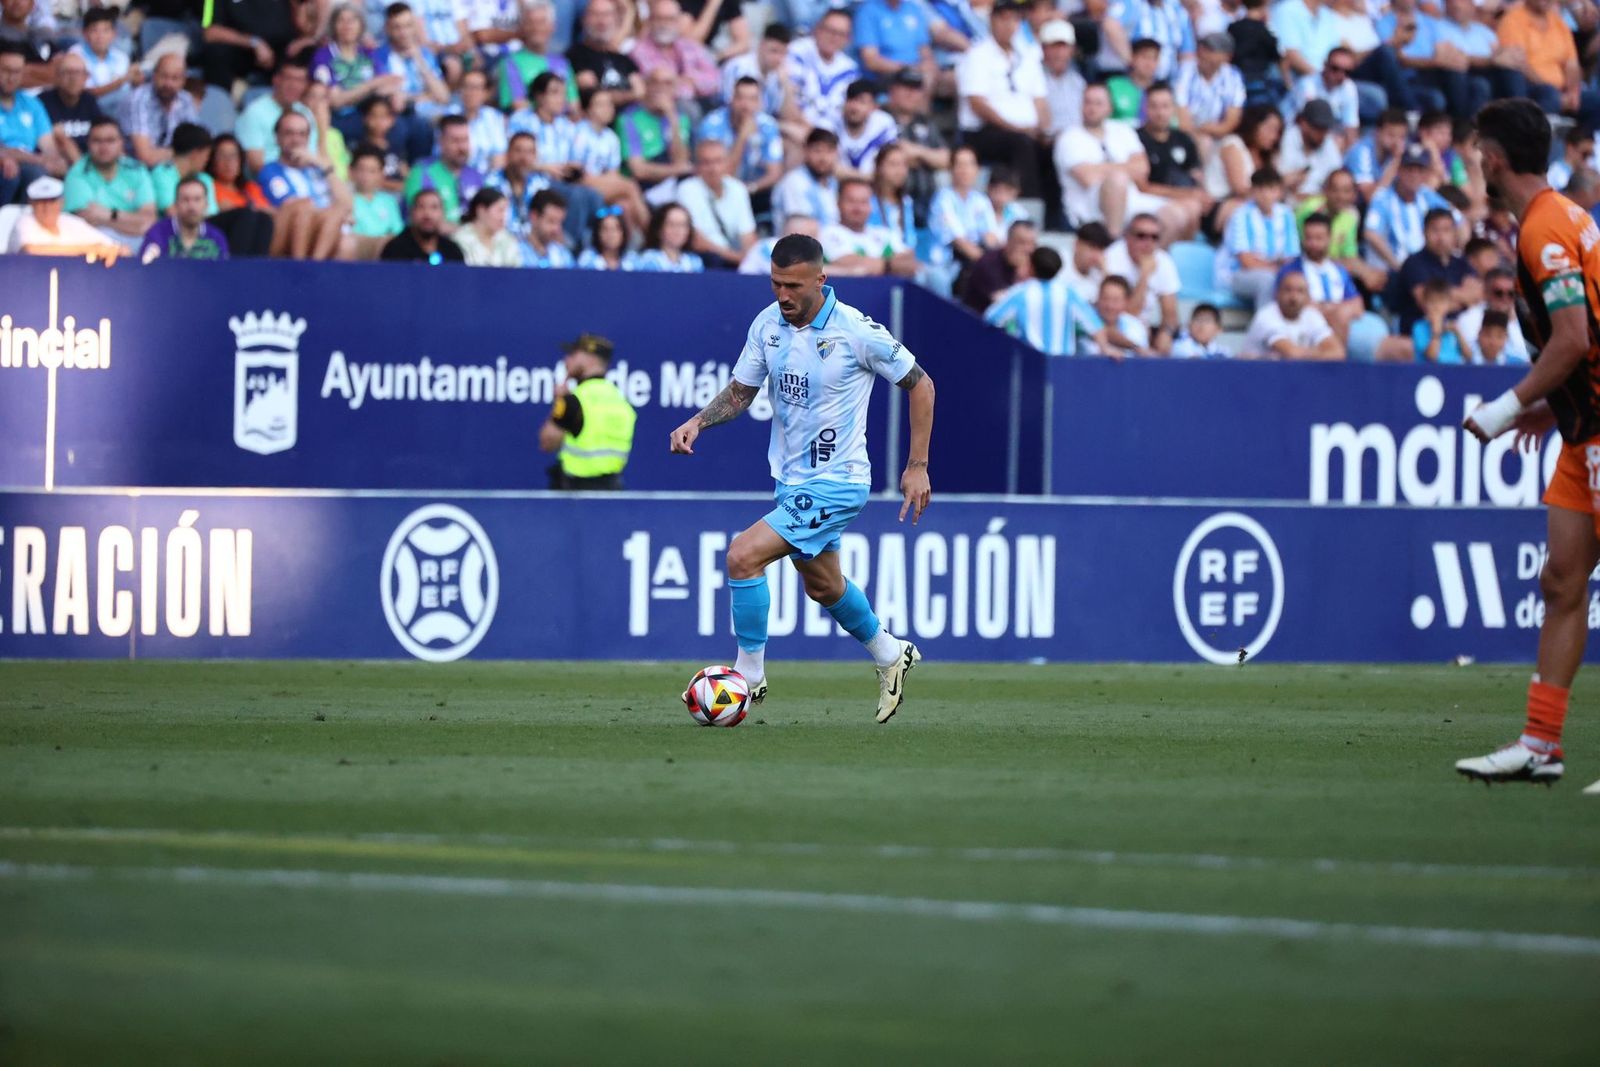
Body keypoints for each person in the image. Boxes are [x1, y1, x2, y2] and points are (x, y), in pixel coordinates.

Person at [667, 233, 936, 723]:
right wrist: (697, 421)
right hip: (791, 480)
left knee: (742, 555)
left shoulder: (856, 331)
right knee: (824, 585)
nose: (783, 295)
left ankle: (748, 677)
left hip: (839, 481)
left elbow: (922, 384)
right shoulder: (767, 324)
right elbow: (741, 392)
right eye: (775, 284)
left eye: (793, 285)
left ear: (820, 279)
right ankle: (889, 652)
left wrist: (917, 466)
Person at [1457, 99, 1600, 783]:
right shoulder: (1564, 216)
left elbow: (1572, 337)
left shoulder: (1544, 229)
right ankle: (1542, 743)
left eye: (1477, 149)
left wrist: (1505, 408)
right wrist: (1549, 408)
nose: (1474, 160)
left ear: (1495, 157)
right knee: (1562, 579)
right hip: (1581, 427)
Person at [1055, 83, 1179, 236]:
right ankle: (1113, 243)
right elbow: (1088, 178)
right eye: (1088, 102)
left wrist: (1099, 168)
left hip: (1133, 199)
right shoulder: (1069, 137)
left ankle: (1153, 256)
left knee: (1177, 214)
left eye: (1098, 103)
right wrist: (1125, 168)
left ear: (1110, 107)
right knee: (1117, 180)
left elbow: (1142, 169)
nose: (1092, 108)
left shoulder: (1122, 130)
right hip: (1087, 207)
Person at [957, 0, 1049, 198]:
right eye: (1003, 19)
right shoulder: (977, 54)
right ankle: (1028, 205)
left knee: (1051, 148)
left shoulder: (1027, 55)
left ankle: (1054, 215)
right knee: (1022, 144)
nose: (1009, 25)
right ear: (992, 20)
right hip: (984, 131)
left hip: (1024, 131)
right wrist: (1017, 128)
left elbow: (1040, 100)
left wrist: (1043, 131)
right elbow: (977, 104)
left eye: (1015, 19)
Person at [540, 332, 639, 489]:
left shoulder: (574, 400)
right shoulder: (621, 401)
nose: (567, 361)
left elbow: (547, 443)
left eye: (573, 354)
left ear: (590, 358)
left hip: (575, 494)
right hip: (612, 491)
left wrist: (559, 403)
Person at [984, 245, 1116, 357]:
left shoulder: (1020, 293)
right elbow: (1094, 325)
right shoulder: (1069, 293)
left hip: (1030, 363)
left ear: (1031, 267)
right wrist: (1105, 348)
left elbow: (991, 318)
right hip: (1062, 364)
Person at [257, 109, 351, 259]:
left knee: (344, 232)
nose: (296, 140)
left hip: (327, 230)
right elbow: (291, 206)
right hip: (291, 230)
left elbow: (347, 207)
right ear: (277, 138)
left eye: (302, 134)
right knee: (305, 207)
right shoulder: (271, 170)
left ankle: (315, 265)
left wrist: (324, 166)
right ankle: (305, 267)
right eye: (289, 133)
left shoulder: (318, 169)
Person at [1493, 0, 1600, 127]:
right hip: (1531, 88)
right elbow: (1519, 64)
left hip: (1560, 92)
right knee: (1549, 95)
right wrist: (1557, 95)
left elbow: (1572, 64)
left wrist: (1572, 93)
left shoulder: (1558, 23)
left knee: (1595, 101)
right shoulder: (1512, 21)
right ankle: (1540, 134)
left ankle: (1581, 142)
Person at [1363, 143, 1457, 275]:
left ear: (1426, 174)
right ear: (1399, 170)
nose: (1414, 175)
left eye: (1419, 170)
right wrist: (1400, 267)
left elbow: (1459, 221)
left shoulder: (1428, 195)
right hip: (1394, 272)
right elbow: (1371, 234)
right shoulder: (1383, 198)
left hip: (1427, 270)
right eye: (1409, 169)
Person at [62, 118, 155, 250]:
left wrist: (108, 214)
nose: (104, 147)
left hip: (136, 242)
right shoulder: (77, 173)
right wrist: (132, 221)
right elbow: (85, 222)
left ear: (121, 143)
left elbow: (148, 222)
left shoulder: (137, 170)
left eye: (110, 140)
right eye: (97, 141)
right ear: (88, 144)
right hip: (95, 244)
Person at [374, 1, 449, 161]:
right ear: (387, 28)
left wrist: (419, 60)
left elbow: (443, 96)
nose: (404, 33)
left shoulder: (425, 55)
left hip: (428, 113)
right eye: (397, 27)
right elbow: (390, 96)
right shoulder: (380, 55)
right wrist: (426, 96)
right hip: (401, 116)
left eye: (408, 26)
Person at [1385, 205, 1476, 337]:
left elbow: (1476, 296)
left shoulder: (1462, 263)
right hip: (1420, 334)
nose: (1441, 237)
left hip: (1459, 331)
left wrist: (1441, 298)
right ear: (1424, 232)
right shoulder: (1414, 263)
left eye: (1446, 230)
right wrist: (1464, 301)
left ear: (1455, 233)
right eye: (1435, 230)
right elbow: (1427, 303)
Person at [1217, 165, 1299, 310]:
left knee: (1299, 281)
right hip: (1237, 275)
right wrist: (1277, 270)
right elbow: (1246, 261)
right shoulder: (1241, 215)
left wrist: (1281, 271)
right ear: (1252, 191)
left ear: (1279, 192)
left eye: (1271, 189)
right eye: (1261, 189)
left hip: (1274, 271)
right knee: (1268, 280)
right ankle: (1266, 330)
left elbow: (1291, 256)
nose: (1266, 195)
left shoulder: (1286, 214)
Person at [1277, 211, 1361, 342]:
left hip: (1342, 325)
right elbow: (1291, 304)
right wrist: (1335, 311)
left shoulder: (1338, 270)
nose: (1313, 244)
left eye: (1319, 238)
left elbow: (1357, 304)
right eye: (1309, 238)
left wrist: (1331, 310)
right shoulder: (1291, 270)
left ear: (1329, 238)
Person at [1136, 82, 1205, 240]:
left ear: (1173, 109)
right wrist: (1186, 194)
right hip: (1149, 202)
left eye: (1165, 106)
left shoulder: (1184, 139)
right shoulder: (1135, 139)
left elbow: (1196, 175)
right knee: (1189, 208)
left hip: (1184, 198)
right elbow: (1143, 187)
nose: (1160, 112)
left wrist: (1200, 194)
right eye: (1154, 106)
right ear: (1145, 108)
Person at [697, 76, 782, 202]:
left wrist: (750, 189)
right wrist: (742, 137)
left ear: (760, 103)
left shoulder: (768, 126)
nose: (746, 105)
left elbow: (774, 173)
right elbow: (720, 173)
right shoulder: (712, 125)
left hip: (754, 191)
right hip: (717, 191)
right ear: (731, 99)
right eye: (740, 98)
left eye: (752, 99)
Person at [616, 67, 694, 204]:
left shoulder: (680, 119)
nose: (661, 88)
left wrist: (672, 118)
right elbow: (638, 170)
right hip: (645, 186)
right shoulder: (629, 119)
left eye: (668, 83)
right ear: (646, 85)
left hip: (674, 183)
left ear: (675, 89)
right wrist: (676, 170)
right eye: (655, 82)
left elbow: (681, 159)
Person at [882, 67, 948, 225]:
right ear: (892, 90)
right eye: (906, 87)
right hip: (890, 201)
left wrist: (917, 152)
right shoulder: (881, 118)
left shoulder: (925, 122)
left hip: (927, 201)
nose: (911, 94)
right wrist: (927, 158)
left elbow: (945, 159)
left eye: (916, 89)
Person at [1105, 212, 1180, 350]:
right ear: (1127, 237)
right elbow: (1123, 314)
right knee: (1133, 330)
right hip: (1114, 329)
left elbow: (1170, 313)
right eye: (1141, 236)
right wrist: (1144, 275)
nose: (1148, 243)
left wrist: (1166, 332)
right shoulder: (1112, 257)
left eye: (1154, 237)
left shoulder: (1163, 260)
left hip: (1144, 330)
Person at [676, 138, 756, 268]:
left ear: (727, 163)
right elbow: (696, 241)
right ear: (697, 166)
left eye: (718, 161)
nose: (713, 168)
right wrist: (737, 258)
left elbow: (748, 235)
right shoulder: (687, 189)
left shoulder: (738, 189)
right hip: (705, 259)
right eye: (706, 163)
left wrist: (750, 261)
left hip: (735, 259)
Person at [821, 176, 918, 277]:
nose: (858, 208)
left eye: (864, 202)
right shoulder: (828, 233)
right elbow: (846, 262)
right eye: (851, 201)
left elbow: (909, 261)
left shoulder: (885, 234)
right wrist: (891, 265)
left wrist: (879, 266)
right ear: (838, 203)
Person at [1, 41, 61, 205]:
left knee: (47, 174)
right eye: (6, 70)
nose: (12, 77)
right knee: (17, 173)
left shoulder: (31, 104)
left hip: (29, 166)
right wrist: (35, 160)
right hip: (7, 168)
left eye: (17, 71)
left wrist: (52, 162)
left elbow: (49, 148)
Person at [5, 173, 121, 258]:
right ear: (32, 204)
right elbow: (31, 250)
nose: (47, 208)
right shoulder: (25, 221)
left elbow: (111, 246)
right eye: (41, 202)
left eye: (52, 201)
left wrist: (113, 250)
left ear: (61, 202)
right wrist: (87, 249)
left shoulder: (70, 222)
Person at [629, 0, 719, 105]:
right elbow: (659, 86)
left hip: (700, 103)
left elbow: (715, 80)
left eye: (670, 19)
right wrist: (688, 82)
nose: (664, 24)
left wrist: (688, 79)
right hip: (660, 108)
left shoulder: (690, 46)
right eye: (659, 19)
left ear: (678, 22)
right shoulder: (639, 51)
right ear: (650, 21)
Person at [1241, 269, 1344, 359]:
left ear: (1308, 297)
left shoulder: (1312, 315)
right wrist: (1320, 352)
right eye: (1288, 290)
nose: (1293, 297)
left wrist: (1306, 353)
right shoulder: (1266, 316)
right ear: (1277, 294)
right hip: (1254, 376)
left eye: (1300, 291)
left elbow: (1338, 353)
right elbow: (1291, 354)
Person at [237, 61, 317, 174]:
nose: (294, 85)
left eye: (300, 80)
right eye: (288, 78)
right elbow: (255, 164)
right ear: (276, 80)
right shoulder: (254, 113)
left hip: (305, 177)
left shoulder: (306, 112)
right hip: (269, 181)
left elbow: (312, 154)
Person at [404, 113, 484, 226]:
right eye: (455, 141)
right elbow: (418, 219)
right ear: (441, 142)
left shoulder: (476, 176)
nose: (462, 147)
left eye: (465, 140)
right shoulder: (421, 172)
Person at [787, 7, 858, 134]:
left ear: (848, 39)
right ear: (817, 29)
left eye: (841, 34)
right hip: (798, 127)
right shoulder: (797, 52)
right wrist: (813, 135)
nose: (834, 38)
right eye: (830, 31)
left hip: (832, 138)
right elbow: (789, 100)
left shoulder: (850, 69)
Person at [930, 144, 1000, 267]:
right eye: (960, 165)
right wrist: (989, 265)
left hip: (978, 260)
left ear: (977, 169)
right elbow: (959, 242)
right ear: (950, 169)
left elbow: (991, 237)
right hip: (949, 264)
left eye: (970, 164)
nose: (965, 170)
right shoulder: (943, 199)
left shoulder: (981, 200)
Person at [566, 0, 644, 105]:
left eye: (607, 15)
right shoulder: (575, 56)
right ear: (584, 19)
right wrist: (631, 94)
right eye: (595, 14)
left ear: (616, 20)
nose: (602, 21)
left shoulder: (624, 59)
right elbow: (595, 97)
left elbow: (642, 92)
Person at [1174, 31, 1243, 144]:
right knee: (1204, 142)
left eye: (1211, 50)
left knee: (1233, 143)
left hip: (1217, 135)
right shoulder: (1185, 71)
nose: (1203, 54)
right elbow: (1182, 119)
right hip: (1186, 134)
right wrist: (1198, 132)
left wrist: (1207, 129)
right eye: (1202, 48)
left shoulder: (1233, 76)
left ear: (1227, 56)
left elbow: (1231, 121)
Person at [139, 175, 229, 261]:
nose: (191, 206)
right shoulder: (157, 233)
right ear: (176, 204)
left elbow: (224, 272)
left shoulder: (216, 238)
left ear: (206, 205)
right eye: (185, 200)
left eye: (197, 199)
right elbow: (145, 268)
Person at [1282, 47, 1359, 147]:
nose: (1341, 75)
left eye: (1347, 72)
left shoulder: (1349, 88)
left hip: (1323, 135)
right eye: (1335, 69)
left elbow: (1351, 127)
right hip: (1291, 132)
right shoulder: (1307, 85)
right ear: (1325, 65)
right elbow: (1308, 124)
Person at [38, 49, 101, 164]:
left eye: (78, 73)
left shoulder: (89, 100)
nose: (73, 78)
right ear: (57, 76)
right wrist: (83, 172)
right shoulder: (44, 100)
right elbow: (61, 140)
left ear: (86, 77)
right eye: (67, 72)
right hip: (61, 163)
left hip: (89, 161)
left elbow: (101, 133)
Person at [1456, 266, 1530, 365]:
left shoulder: (1524, 322)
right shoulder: (1469, 318)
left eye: (1511, 293)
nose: (1505, 298)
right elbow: (1467, 354)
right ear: (1486, 292)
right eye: (1498, 293)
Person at [71, 8, 139, 113]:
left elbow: (129, 88)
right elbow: (86, 93)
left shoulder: (121, 57)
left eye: (106, 30)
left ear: (113, 34)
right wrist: (122, 80)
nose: (100, 36)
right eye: (94, 30)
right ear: (85, 34)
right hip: (90, 109)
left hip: (120, 108)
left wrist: (137, 80)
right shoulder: (76, 55)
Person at [773, 127, 841, 228]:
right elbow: (802, 229)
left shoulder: (833, 183)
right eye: (817, 150)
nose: (823, 158)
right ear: (805, 151)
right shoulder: (794, 181)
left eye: (829, 151)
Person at [855, 0, 935, 85]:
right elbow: (871, 60)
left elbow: (925, 50)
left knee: (931, 75)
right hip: (887, 75)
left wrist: (926, 66)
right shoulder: (868, 11)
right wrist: (906, 68)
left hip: (916, 71)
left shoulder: (913, 8)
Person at [345, 144, 403, 258]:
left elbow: (397, 231)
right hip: (358, 251)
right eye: (361, 169)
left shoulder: (390, 201)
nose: (366, 176)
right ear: (351, 171)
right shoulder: (345, 199)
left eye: (372, 171)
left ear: (382, 174)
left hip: (387, 251)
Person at [1277, 98, 1342, 197]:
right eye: (1318, 127)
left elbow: (1336, 177)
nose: (1322, 133)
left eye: (1325, 128)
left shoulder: (1328, 142)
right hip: (1289, 201)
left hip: (1321, 201)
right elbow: (1284, 181)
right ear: (1304, 124)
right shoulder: (1289, 137)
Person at [380, 186, 464, 262]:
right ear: (411, 213)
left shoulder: (452, 251)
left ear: (443, 214)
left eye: (434, 207)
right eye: (421, 207)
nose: (427, 214)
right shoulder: (395, 249)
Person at [836, 78, 899, 178]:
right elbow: (831, 168)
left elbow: (891, 164)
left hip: (876, 188)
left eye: (862, 102)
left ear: (874, 107)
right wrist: (868, 178)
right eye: (851, 100)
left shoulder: (884, 123)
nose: (854, 107)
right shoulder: (831, 123)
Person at [1077, 275, 1151, 357]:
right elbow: (1101, 330)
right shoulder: (1084, 318)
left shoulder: (1135, 326)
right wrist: (1132, 346)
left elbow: (1143, 356)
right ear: (1097, 298)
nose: (1110, 306)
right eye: (1105, 298)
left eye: (1115, 300)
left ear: (1126, 302)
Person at [1344, 107, 1407, 203]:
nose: (1396, 142)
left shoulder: (1399, 152)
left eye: (1401, 137)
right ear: (1377, 132)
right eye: (1391, 135)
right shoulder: (1361, 152)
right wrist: (1396, 159)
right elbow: (1371, 197)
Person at [454, 69, 507, 174]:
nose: (469, 93)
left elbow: (499, 156)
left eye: (475, 88)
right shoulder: (450, 116)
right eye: (465, 87)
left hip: (487, 178)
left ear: (486, 93)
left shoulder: (494, 118)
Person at [453, 185, 521, 266]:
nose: (503, 217)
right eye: (500, 210)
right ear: (481, 210)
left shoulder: (507, 240)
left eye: (505, 211)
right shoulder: (460, 240)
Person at [1039, 21, 1084, 138]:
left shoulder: (1077, 81)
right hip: (1048, 141)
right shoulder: (1033, 78)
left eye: (1063, 47)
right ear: (1043, 49)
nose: (1059, 53)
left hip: (1081, 139)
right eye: (1053, 47)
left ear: (1072, 50)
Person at [1410, 278, 1466, 364]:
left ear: (1449, 304)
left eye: (1441, 301)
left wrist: (1458, 333)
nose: (1436, 306)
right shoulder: (1418, 327)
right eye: (1432, 302)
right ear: (1425, 304)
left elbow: (1469, 357)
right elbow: (1432, 356)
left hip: (1454, 371)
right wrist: (1436, 330)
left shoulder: (1452, 327)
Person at [1106, 37, 1161, 122]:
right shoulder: (1113, 86)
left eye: (1154, 58)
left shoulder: (1163, 91)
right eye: (1144, 57)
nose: (1149, 63)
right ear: (1133, 57)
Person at [637, 201, 703, 272]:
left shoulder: (694, 263)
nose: (677, 230)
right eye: (671, 224)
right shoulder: (644, 260)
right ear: (658, 229)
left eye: (683, 225)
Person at [523, 186, 574, 267]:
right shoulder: (515, 252)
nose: (557, 229)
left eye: (560, 223)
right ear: (534, 217)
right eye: (551, 221)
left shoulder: (563, 256)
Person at [578, 204, 640, 270]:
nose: (610, 234)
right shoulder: (587, 260)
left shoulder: (633, 260)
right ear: (598, 233)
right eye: (605, 229)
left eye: (615, 229)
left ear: (623, 233)